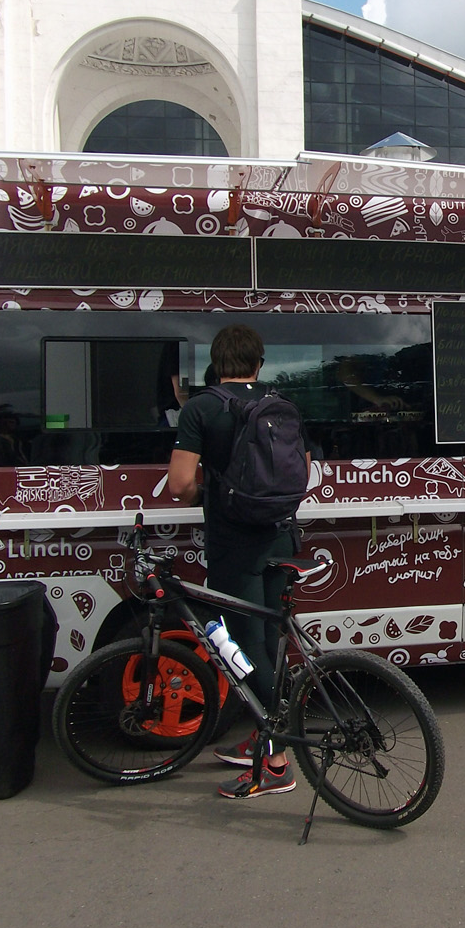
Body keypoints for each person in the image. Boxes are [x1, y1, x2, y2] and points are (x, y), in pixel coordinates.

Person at [167, 323, 309, 799]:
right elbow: (302, 469)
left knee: (243, 649)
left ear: (216, 361)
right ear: (259, 362)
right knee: (266, 644)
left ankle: (276, 765)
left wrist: (214, 487)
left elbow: (180, 484)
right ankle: (262, 736)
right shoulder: (281, 402)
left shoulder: (201, 408)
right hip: (282, 540)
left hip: (235, 546)